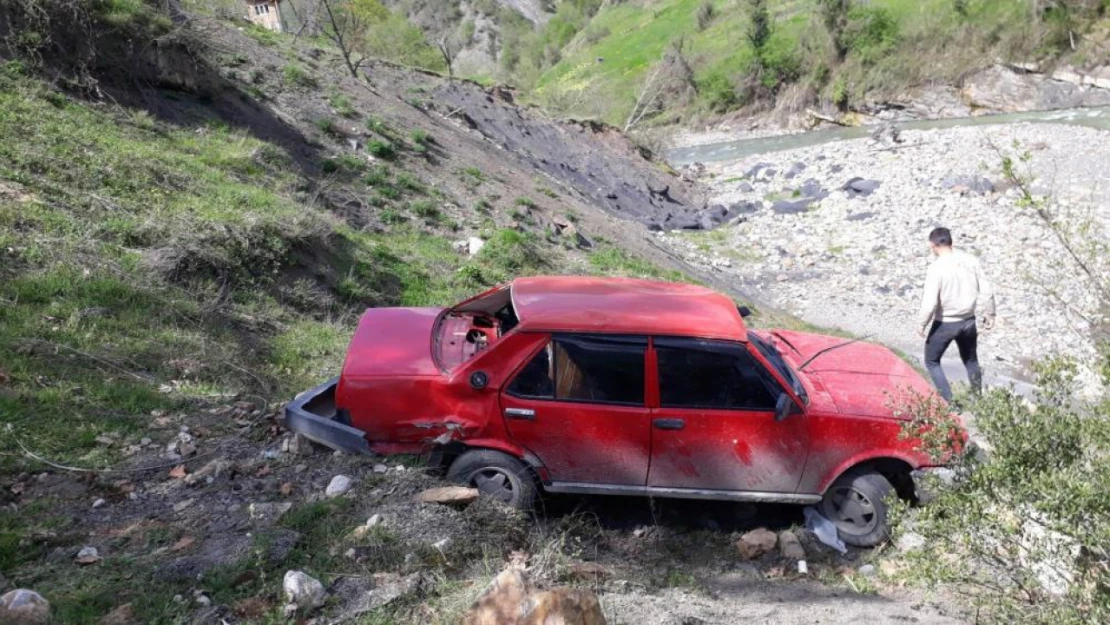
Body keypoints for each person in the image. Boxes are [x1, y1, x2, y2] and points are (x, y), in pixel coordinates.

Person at [916, 227, 996, 402]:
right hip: (968, 321)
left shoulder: (936, 268)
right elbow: (987, 291)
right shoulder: (971, 261)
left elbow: (930, 303)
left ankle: (951, 403)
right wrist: (991, 314)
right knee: (971, 361)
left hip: (945, 323)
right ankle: (978, 401)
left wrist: (922, 323)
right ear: (952, 242)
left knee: (932, 361)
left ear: (932, 245)